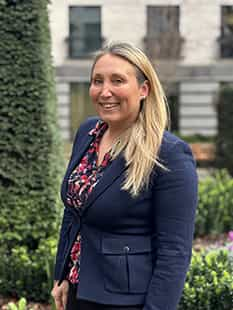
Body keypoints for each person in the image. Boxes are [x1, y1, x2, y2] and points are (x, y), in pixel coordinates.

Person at [51, 42, 198, 310]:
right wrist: (61, 275)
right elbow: (73, 212)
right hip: (78, 290)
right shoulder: (87, 133)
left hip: (126, 301)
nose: (104, 91)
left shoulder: (169, 154)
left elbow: (174, 253)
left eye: (117, 80)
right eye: (97, 81)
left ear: (143, 89)